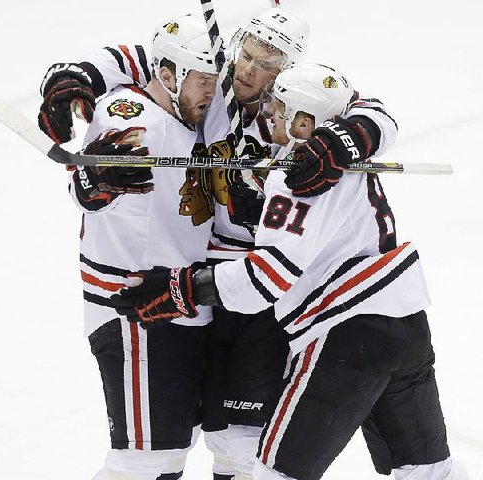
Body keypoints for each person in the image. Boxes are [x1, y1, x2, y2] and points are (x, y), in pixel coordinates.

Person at [37, 8, 398, 480]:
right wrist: (73, 77)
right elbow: (138, 62)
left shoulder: (297, 104)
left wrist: (349, 138)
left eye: (265, 65)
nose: (247, 72)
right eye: (245, 57)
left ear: (285, 71)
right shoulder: (203, 83)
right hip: (184, 285)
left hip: (253, 288)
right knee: (155, 453)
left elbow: (376, 113)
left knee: (238, 444)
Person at [111, 63, 468, 480]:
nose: (271, 113)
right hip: (406, 326)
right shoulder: (342, 158)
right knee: (429, 472)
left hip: (345, 338)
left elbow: (264, 280)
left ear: (304, 123)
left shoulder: (299, 177)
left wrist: (182, 289)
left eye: (281, 108)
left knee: (272, 474)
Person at [70, 13, 225, 480]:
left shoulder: (190, 111)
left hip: (184, 304)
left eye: (214, 81)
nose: (210, 93)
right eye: (201, 81)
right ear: (167, 75)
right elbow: (90, 183)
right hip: (134, 309)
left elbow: (133, 57)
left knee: (171, 454)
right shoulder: (133, 115)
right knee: (145, 462)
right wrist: (102, 174)